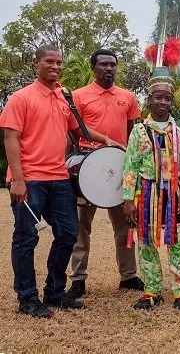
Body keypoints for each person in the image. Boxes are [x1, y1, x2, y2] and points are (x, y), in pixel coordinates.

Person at [0, 46, 117, 318]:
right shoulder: (21, 98)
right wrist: (18, 179)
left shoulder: (63, 97)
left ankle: (54, 292)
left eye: (59, 62)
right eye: (49, 61)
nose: (55, 66)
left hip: (59, 177)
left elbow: (77, 129)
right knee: (26, 238)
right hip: (30, 180)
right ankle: (27, 298)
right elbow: (10, 139)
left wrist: (104, 140)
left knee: (68, 232)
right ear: (36, 63)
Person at [67, 49, 143, 299]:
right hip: (86, 167)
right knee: (81, 226)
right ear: (93, 68)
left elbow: (133, 133)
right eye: (103, 65)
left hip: (119, 166)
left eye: (113, 65)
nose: (109, 69)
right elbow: (73, 131)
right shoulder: (78, 96)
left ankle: (129, 275)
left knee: (125, 224)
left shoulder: (127, 97)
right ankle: (78, 279)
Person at [122, 67, 180, 312]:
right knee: (147, 242)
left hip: (173, 194)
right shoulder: (139, 130)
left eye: (167, 98)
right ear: (150, 99)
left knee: (178, 242)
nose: (162, 102)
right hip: (146, 193)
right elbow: (130, 164)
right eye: (158, 97)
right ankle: (152, 290)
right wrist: (128, 199)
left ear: (171, 101)